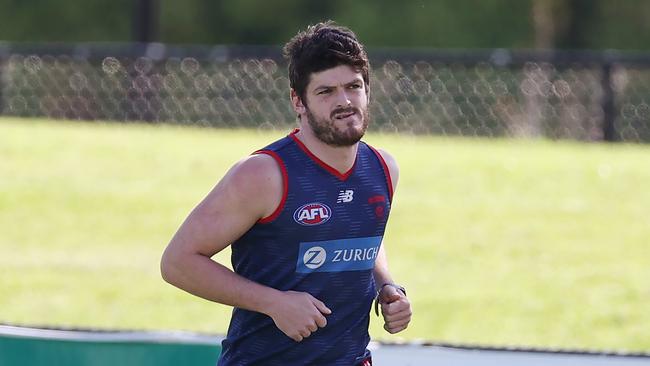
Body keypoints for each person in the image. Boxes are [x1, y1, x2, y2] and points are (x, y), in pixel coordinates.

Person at [161, 20, 412, 366]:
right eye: (325, 92)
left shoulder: (384, 168)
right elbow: (178, 262)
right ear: (298, 101)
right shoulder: (264, 174)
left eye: (353, 87)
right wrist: (273, 302)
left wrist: (387, 286)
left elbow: (363, 233)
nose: (344, 102)